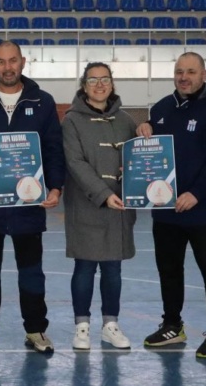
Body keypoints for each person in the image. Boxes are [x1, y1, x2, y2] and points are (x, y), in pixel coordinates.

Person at [0, 40, 66, 353]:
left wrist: (56, 186)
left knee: (31, 272)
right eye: (1, 62)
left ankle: (36, 330)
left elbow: (53, 149)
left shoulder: (42, 102)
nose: (7, 67)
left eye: (13, 61)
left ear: (23, 62)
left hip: (28, 206)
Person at [138, 51, 206, 359]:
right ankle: (172, 324)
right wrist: (145, 128)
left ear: (204, 74)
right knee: (169, 270)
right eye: (180, 71)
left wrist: (196, 193)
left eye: (191, 71)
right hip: (166, 212)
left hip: (204, 213)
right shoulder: (161, 109)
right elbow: (152, 151)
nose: (184, 77)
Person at [61, 62, 137, 351]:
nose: (100, 85)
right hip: (87, 205)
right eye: (93, 80)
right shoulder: (71, 121)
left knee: (113, 269)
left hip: (119, 208)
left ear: (112, 84)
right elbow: (75, 163)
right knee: (84, 267)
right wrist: (103, 193)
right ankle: (82, 326)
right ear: (84, 86)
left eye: (105, 79)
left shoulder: (127, 120)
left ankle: (110, 325)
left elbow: (137, 161)